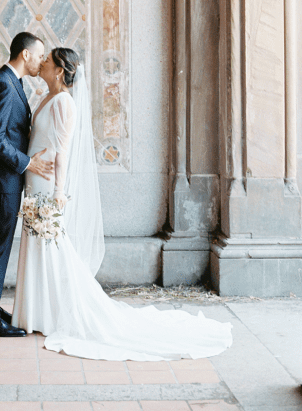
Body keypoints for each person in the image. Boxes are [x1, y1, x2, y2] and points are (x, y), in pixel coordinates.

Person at [12, 47, 233, 361]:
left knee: (51, 246)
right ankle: (36, 311)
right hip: (34, 181)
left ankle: (55, 311)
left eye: (47, 60)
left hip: (48, 185)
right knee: (37, 245)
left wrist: (60, 192)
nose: (42, 62)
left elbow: (63, 151)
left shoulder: (64, 103)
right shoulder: (46, 97)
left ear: (60, 71)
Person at [0, 31, 54, 337]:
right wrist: (27, 162)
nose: (41, 61)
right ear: (25, 54)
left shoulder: (11, 82)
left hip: (4, 181)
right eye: (39, 54)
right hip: (0, 182)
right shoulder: (3, 84)